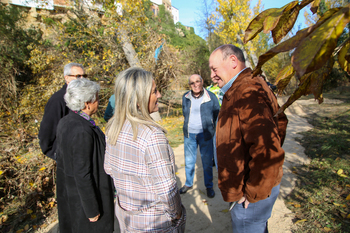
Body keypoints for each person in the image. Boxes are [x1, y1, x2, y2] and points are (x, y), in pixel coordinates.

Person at [209, 44, 288, 232]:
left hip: (251, 192)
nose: (211, 75)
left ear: (233, 61)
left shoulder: (247, 91)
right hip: (253, 187)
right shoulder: (246, 86)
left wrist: (254, 191)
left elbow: (268, 149)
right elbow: (280, 122)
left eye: (214, 69)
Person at [104, 67, 186, 232]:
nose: (159, 95)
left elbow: (109, 168)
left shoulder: (112, 127)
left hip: (126, 218)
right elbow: (167, 190)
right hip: (154, 223)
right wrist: (177, 216)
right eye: (154, 91)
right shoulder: (152, 136)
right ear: (138, 99)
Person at [55, 78, 114, 233]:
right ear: (88, 103)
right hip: (86, 199)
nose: (99, 102)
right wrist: (91, 208)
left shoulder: (66, 121)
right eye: (97, 98)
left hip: (72, 196)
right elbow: (82, 172)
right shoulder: (81, 130)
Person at [180, 74, 220, 198]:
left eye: (198, 81)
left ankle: (209, 186)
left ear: (202, 82)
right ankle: (188, 184)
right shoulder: (185, 97)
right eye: (192, 83)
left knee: (207, 162)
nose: (195, 85)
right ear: (189, 85)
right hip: (189, 135)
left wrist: (211, 127)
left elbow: (216, 114)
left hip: (206, 135)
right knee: (189, 161)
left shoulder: (211, 97)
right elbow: (184, 112)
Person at [38, 63, 87, 160]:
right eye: (78, 76)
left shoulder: (82, 97)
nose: (82, 79)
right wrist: (55, 153)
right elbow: (47, 131)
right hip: (65, 155)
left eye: (84, 76)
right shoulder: (58, 100)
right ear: (67, 78)